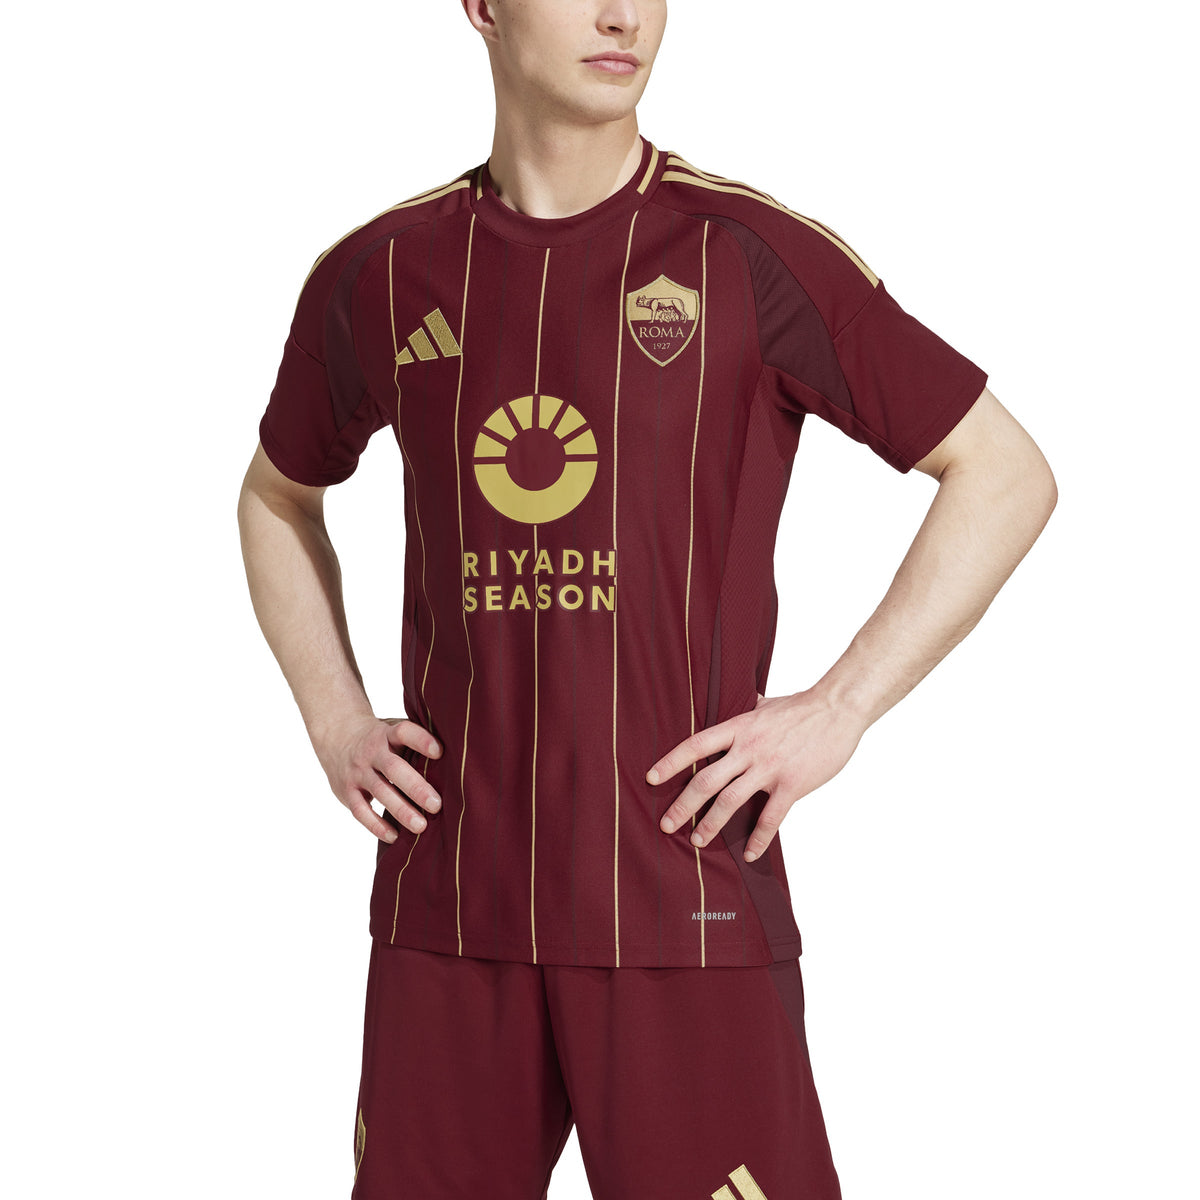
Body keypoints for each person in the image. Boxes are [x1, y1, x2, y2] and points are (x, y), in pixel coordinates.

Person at [237, 2, 1057, 1196]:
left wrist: (838, 709)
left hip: (685, 901)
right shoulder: (381, 271)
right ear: (483, 7)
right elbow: (276, 496)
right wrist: (333, 718)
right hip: (448, 910)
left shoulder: (748, 254)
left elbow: (1004, 473)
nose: (623, 13)